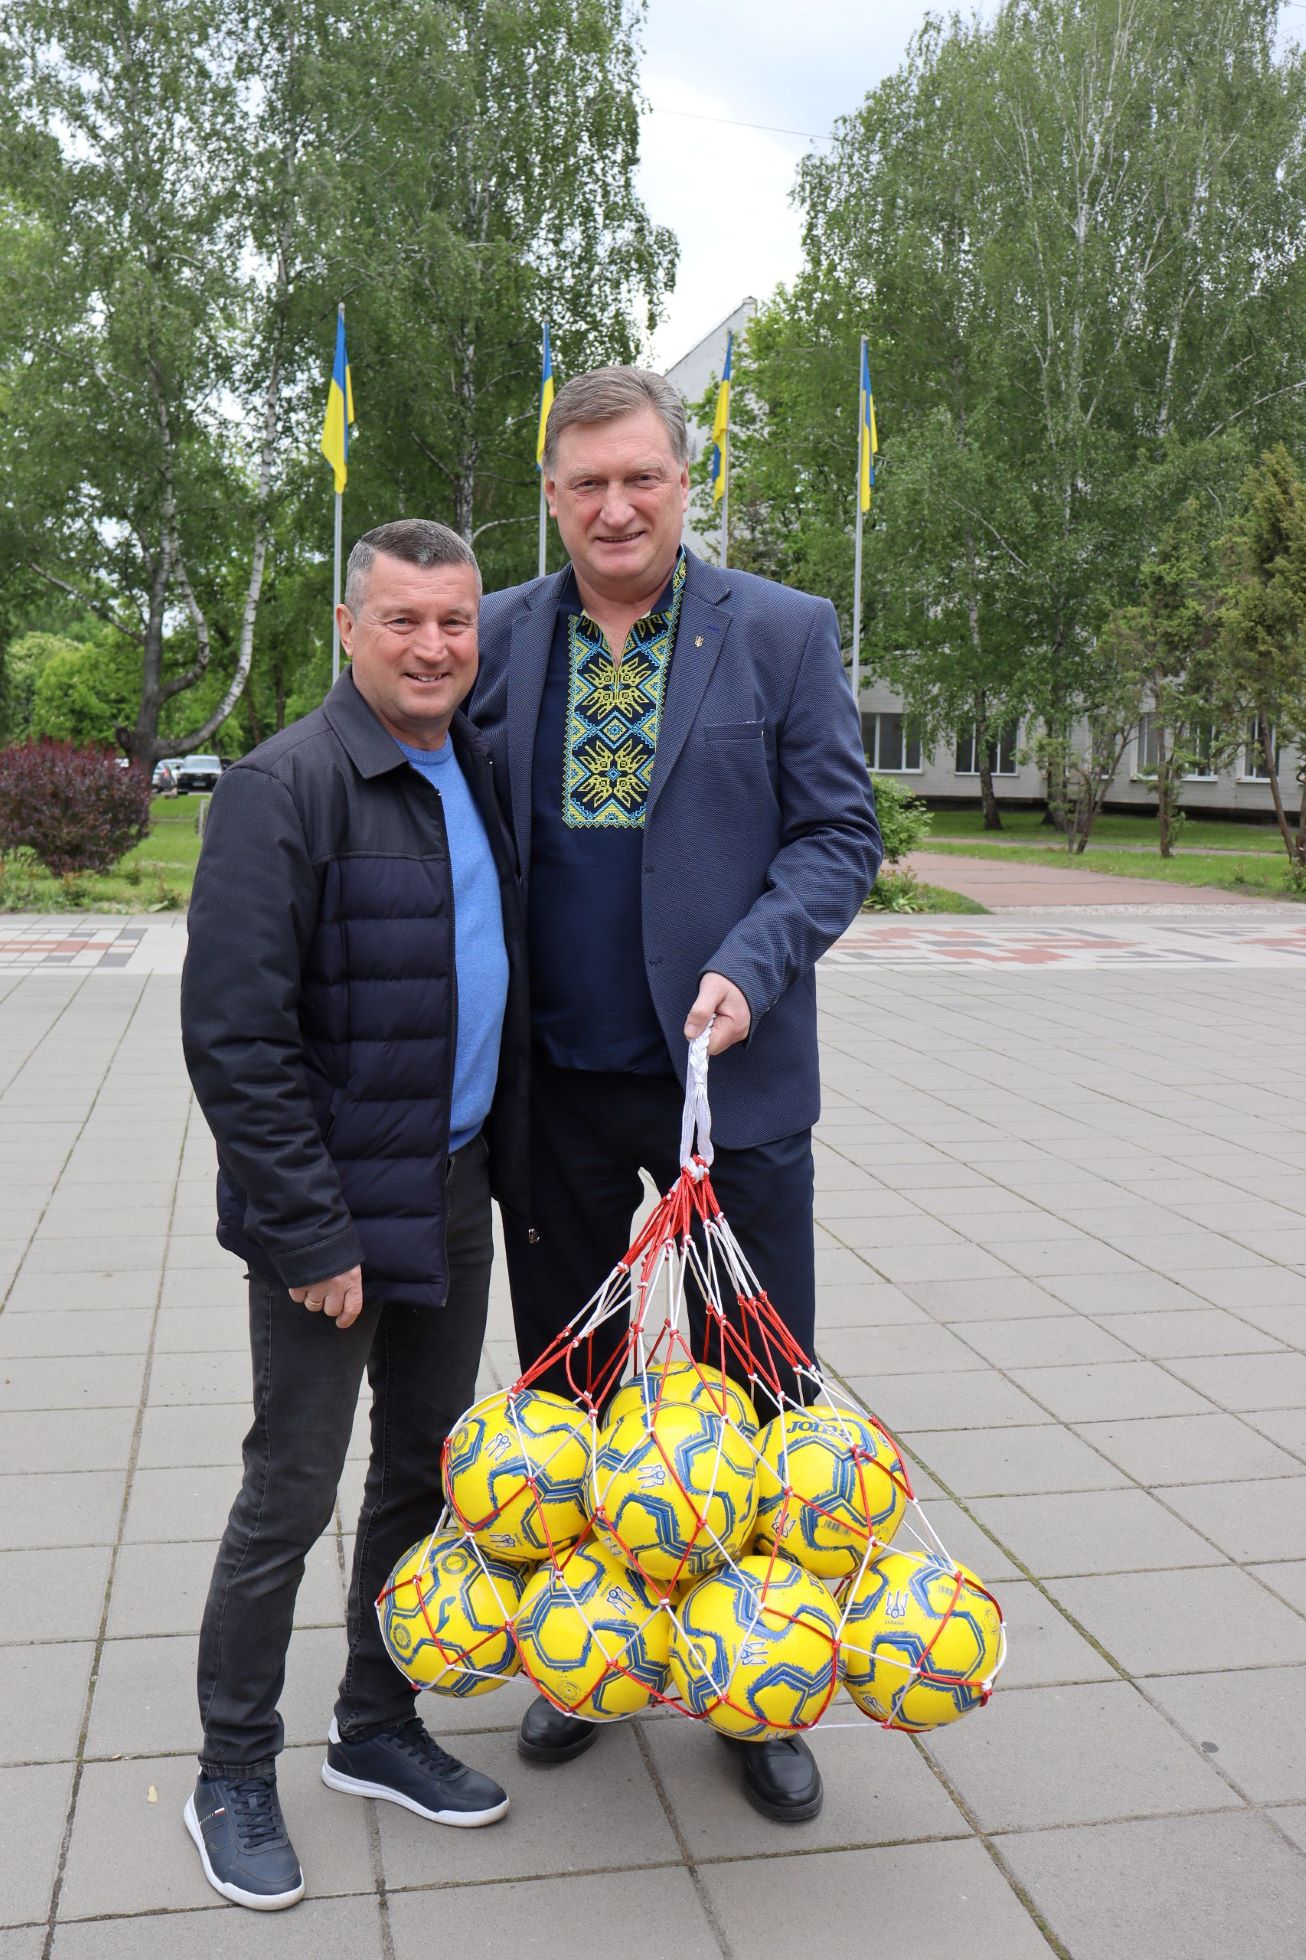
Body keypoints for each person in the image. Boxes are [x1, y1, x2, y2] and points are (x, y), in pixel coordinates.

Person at [471, 366, 881, 1824]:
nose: (614, 506)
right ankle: (585, 1658)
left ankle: (758, 1684)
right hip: (556, 1093)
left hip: (731, 1088)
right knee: (567, 1394)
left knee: (756, 1394)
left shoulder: (780, 630)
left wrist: (751, 966)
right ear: (550, 495)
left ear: (684, 482)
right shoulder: (495, 637)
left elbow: (839, 835)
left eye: (640, 476)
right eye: (585, 482)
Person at [179, 519, 528, 1911]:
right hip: (329, 1218)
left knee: (422, 1477)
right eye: (402, 620)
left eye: (455, 622)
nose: (433, 647)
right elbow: (235, 1041)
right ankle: (230, 1771)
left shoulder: (475, 765)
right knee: (290, 1491)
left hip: (451, 1192)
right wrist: (311, 1233)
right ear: (347, 627)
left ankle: (374, 1725)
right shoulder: (284, 787)